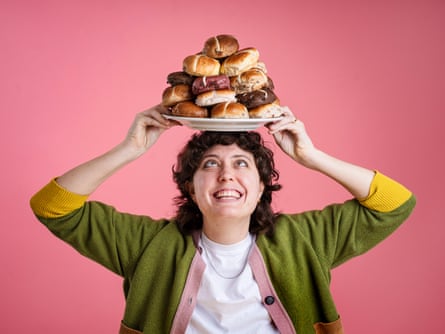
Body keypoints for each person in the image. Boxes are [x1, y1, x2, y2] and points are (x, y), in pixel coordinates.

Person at [30, 104, 416, 334]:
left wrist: (311, 157)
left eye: (241, 164)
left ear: (263, 185)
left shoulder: (305, 239)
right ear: (191, 187)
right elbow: (52, 205)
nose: (226, 175)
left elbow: (395, 203)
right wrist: (129, 149)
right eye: (210, 164)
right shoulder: (147, 244)